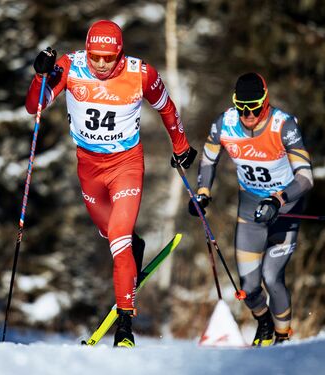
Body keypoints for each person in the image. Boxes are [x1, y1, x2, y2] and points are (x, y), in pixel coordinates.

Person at [25, 20, 197, 348]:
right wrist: (40, 76)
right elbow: (35, 106)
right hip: (89, 168)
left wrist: (181, 146)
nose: (102, 64)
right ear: (87, 51)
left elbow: (167, 109)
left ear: (120, 54)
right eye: (95, 57)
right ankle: (134, 246)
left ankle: (125, 326)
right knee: (111, 235)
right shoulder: (70, 66)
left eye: (109, 58)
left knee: (117, 240)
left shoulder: (140, 73)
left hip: (126, 166)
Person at [189, 73, 313, 346]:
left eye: (254, 107)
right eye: (241, 107)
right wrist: (203, 193)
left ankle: (283, 339)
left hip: (285, 208)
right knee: (249, 287)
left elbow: (305, 177)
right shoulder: (225, 124)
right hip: (250, 208)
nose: (248, 114)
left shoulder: (284, 125)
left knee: (272, 276)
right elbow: (209, 159)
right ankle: (265, 323)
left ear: (265, 102)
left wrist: (277, 200)